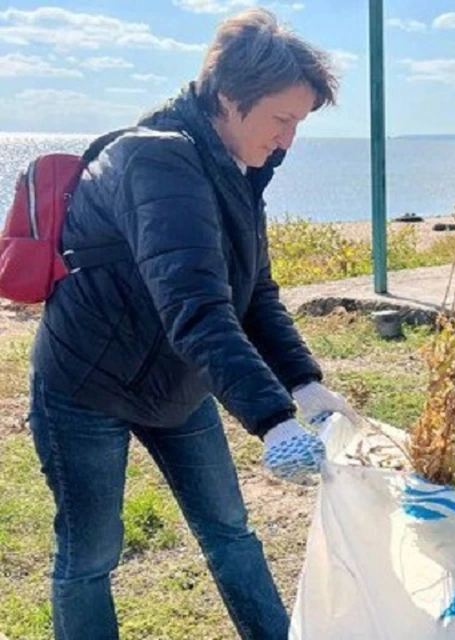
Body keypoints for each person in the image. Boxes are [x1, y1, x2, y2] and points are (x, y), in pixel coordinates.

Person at [28, 9, 360, 639]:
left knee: (230, 531)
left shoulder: (239, 169)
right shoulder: (154, 161)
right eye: (282, 119)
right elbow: (196, 306)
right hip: (86, 383)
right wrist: (272, 418)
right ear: (230, 98)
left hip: (178, 381)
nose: (289, 140)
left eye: (299, 123)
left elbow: (254, 295)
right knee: (90, 555)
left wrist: (305, 383)